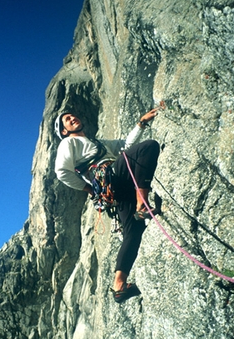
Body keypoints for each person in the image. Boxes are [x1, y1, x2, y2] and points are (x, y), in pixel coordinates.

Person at [54, 109, 160, 303]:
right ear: (64, 131)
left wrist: (141, 123)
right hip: (110, 177)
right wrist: (88, 188)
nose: (72, 118)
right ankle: (141, 204)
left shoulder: (98, 143)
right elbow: (62, 172)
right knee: (149, 147)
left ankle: (119, 285)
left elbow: (126, 146)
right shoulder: (68, 143)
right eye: (67, 120)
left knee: (133, 232)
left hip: (115, 186)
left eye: (72, 115)